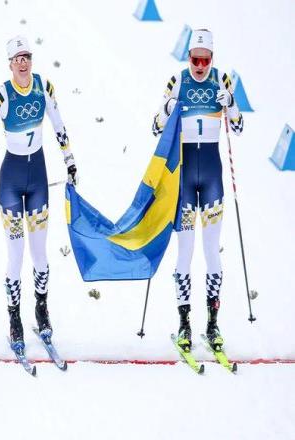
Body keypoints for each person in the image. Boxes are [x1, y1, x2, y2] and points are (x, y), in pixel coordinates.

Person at [0, 36, 77, 352]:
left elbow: (59, 128)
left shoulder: (44, 87)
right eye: (17, 59)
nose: (23, 63)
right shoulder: (3, 94)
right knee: (16, 256)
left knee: (40, 254)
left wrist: (70, 162)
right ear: (10, 64)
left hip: (38, 181)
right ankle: (14, 318)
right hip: (11, 182)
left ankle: (41, 310)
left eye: (26, 57)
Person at [152, 29, 244, 352]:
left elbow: (238, 126)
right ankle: (184, 324)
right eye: (195, 60)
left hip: (213, 179)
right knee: (185, 253)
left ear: (212, 59)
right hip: (185, 184)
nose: (201, 66)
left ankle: (213, 324)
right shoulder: (177, 82)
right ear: (188, 57)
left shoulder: (222, 81)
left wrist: (231, 104)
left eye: (206, 60)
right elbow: (155, 127)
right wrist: (168, 109)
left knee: (212, 251)